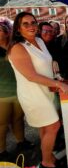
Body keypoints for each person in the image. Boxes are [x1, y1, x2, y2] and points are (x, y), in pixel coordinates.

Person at [8, 12, 68, 168]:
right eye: (25, 24)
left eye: (33, 22)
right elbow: (31, 76)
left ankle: (47, 156)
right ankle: (47, 163)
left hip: (47, 91)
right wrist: (57, 84)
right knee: (54, 125)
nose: (31, 26)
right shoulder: (17, 47)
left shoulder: (38, 40)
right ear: (18, 28)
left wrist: (56, 79)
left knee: (46, 127)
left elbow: (47, 65)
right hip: (33, 94)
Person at [0, 18, 34, 160]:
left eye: (1, 30)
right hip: (2, 94)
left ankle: (21, 142)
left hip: (19, 90)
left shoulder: (15, 47)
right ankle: (1, 150)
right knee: (2, 123)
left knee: (18, 119)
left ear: (7, 32)